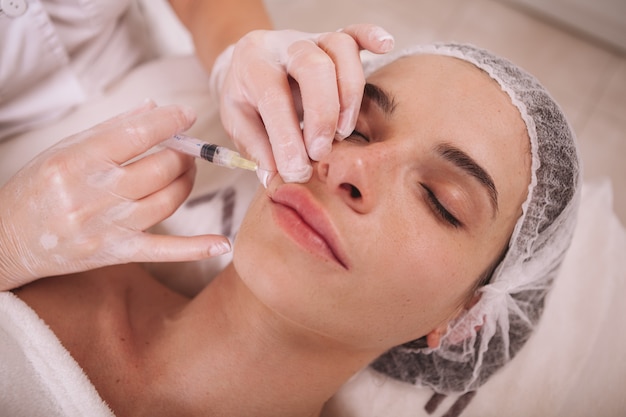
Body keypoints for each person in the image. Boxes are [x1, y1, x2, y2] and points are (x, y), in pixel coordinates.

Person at [1, 42, 580, 416]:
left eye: (440, 200)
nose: (347, 167)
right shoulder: (52, 251)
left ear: (461, 321)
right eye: (354, 127)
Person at [0, 0, 395, 290]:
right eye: (357, 134)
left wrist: (233, 51)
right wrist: (9, 244)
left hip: (148, 70)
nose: (344, 170)